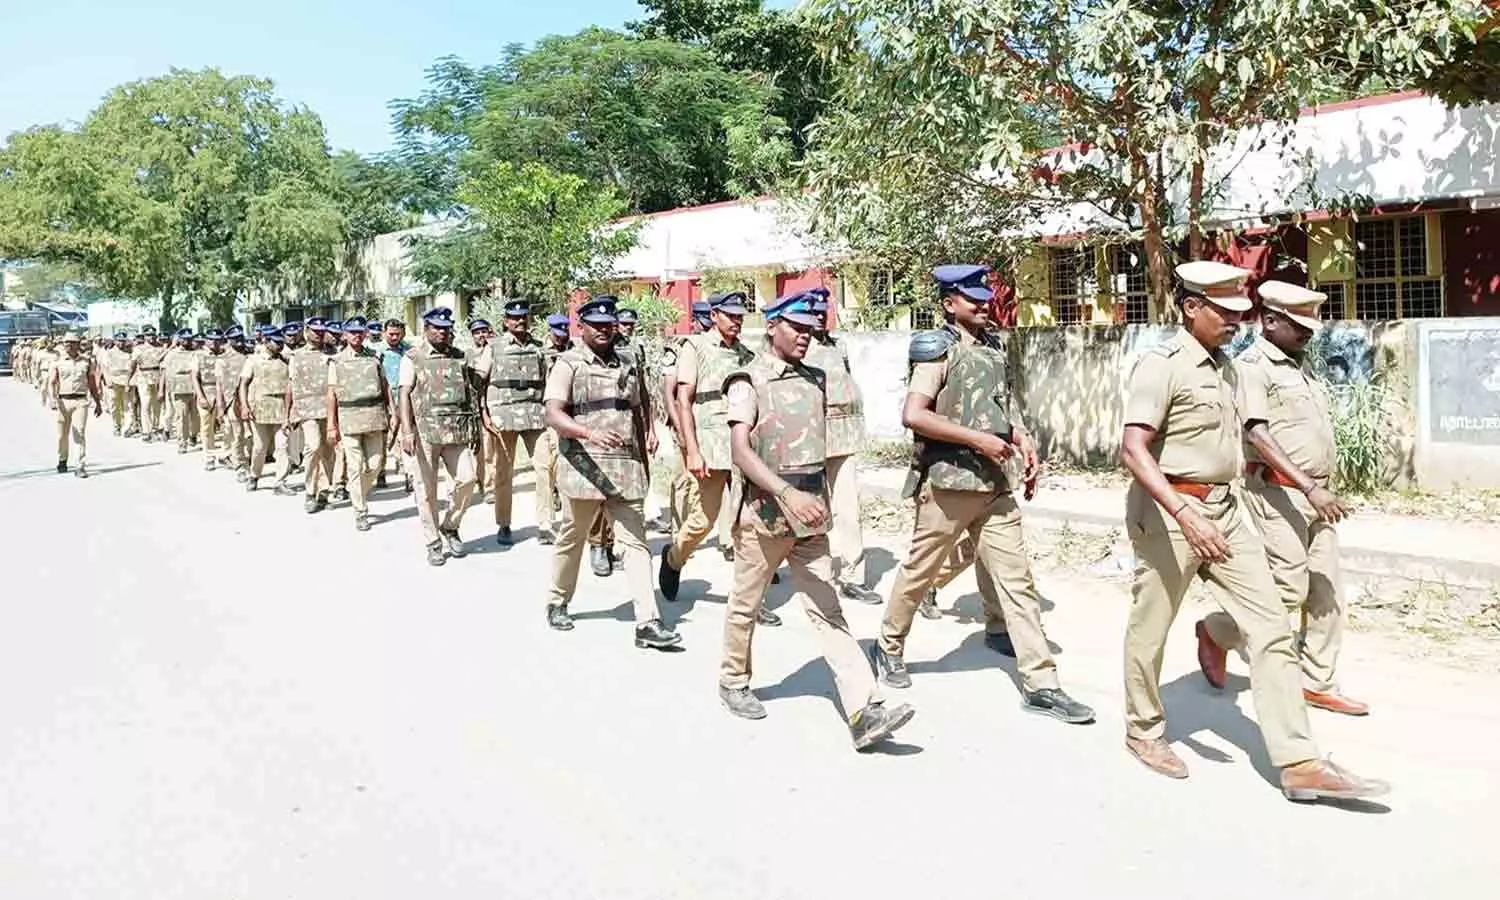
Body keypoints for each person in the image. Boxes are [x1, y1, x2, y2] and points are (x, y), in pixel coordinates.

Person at [1119, 259, 1386, 801]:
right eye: (1224, 312)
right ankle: (1144, 731)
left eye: (1240, 312)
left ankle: (1300, 761)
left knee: (1270, 627)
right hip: (1172, 514)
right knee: (1151, 628)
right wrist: (1183, 513)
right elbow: (1133, 449)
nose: (1235, 322)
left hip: (1227, 512)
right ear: (1191, 307)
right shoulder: (1161, 365)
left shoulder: (1230, 369)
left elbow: (1247, 439)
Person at [871, 264, 1093, 725]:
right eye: (971, 298)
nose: (982, 304)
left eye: (983, 296)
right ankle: (888, 645)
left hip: (994, 482)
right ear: (950, 303)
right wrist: (976, 440)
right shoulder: (935, 349)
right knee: (920, 570)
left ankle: (1041, 684)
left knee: (1017, 582)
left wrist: (1022, 437)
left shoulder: (992, 345)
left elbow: (1001, 408)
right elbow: (914, 414)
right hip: (949, 483)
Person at [717, 291, 914, 748]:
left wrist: (821, 500)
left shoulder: (817, 378)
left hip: (809, 517)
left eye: (811, 329)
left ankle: (864, 708)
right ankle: (732, 680)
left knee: (828, 609)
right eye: (797, 329)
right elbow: (740, 451)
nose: (806, 337)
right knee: (746, 604)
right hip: (764, 516)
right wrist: (785, 493)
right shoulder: (748, 381)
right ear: (772, 327)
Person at [1196, 280, 1368, 716]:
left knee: (1327, 592)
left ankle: (1317, 681)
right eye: (1298, 325)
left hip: (1317, 496)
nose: (1309, 332)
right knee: (1287, 589)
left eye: (1310, 325)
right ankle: (1217, 631)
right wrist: (1308, 485)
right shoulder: (1254, 366)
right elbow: (1258, 432)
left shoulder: (1298, 364)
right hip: (1277, 492)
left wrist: (1320, 486)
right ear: (1270, 321)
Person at [542, 296, 680, 650]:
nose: (604, 330)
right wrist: (589, 433)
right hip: (583, 469)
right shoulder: (567, 364)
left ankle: (647, 622)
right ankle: (558, 600)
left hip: (625, 468)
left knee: (636, 543)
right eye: (596, 325)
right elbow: (553, 414)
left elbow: (641, 404)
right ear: (581, 327)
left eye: (609, 324)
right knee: (572, 538)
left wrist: (648, 431)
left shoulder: (629, 361)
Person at [660, 293, 768, 610]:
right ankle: (673, 556)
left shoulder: (747, 354)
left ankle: (750, 599)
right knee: (703, 521)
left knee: (748, 521)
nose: (737, 321)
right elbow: (683, 400)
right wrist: (692, 450)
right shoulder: (695, 347)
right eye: (731, 315)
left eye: (741, 316)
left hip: (743, 447)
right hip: (710, 446)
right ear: (715, 314)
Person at [802, 289, 880, 604]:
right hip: (809, 438)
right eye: (814, 312)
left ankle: (852, 574)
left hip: (843, 436)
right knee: (805, 508)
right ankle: (785, 564)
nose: (820, 317)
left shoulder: (838, 345)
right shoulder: (799, 347)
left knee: (848, 507)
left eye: (824, 311)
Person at [398, 307, 480, 566]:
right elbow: (403, 394)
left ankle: (450, 525)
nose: (442, 332)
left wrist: (475, 426)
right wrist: (407, 430)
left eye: (446, 328)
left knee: (468, 479)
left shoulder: (460, 357)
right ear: (426, 329)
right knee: (426, 490)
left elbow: (471, 394)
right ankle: (433, 541)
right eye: (437, 328)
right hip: (425, 434)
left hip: (456, 430)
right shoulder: (412, 357)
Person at [476, 303, 550, 547]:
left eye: (523, 317)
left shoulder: (539, 348)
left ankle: (545, 525)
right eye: (514, 318)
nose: (519, 321)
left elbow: (549, 382)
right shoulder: (494, 347)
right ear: (505, 321)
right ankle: (504, 523)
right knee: (503, 472)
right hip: (503, 416)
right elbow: (479, 382)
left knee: (545, 467)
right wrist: (483, 413)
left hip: (534, 415)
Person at [327, 316, 392, 532]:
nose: (356, 335)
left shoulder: (375, 357)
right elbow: (332, 395)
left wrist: (391, 412)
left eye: (360, 331)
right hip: (349, 418)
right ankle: (360, 510)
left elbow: (385, 387)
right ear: (345, 335)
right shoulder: (336, 361)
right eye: (352, 332)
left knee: (375, 465)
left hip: (374, 416)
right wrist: (331, 425)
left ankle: (357, 491)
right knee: (355, 466)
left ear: (365, 334)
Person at [531, 313, 573, 545]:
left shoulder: (575, 351)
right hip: (544, 419)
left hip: (569, 418)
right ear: (550, 331)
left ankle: (569, 518)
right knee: (543, 469)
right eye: (557, 332)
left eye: (564, 331)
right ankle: (545, 524)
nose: (561, 336)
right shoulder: (540, 352)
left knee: (564, 469)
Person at [289, 318, 335, 513]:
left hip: (329, 408)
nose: (318, 334)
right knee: (312, 446)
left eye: (321, 330)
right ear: (307, 331)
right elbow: (291, 384)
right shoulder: (296, 356)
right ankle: (310, 490)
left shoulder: (333, 353)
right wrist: (290, 411)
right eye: (314, 330)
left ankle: (324, 490)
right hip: (307, 409)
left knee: (328, 450)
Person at [238, 326, 293, 493]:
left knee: (282, 446)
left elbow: (291, 385)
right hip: (260, 408)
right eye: (276, 342)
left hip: (281, 408)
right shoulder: (253, 360)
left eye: (281, 342)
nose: (280, 345)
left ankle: (280, 481)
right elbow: (243, 385)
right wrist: (245, 406)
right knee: (260, 447)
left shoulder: (286, 360)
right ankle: (254, 475)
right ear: (266, 341)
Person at [51, 333, 102, 477]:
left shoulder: (86, 362)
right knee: (62, 435)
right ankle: (62, 459)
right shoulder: (58, 362)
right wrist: (53, 399)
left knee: (79, 432)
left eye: (72, 342)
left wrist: (98, 402)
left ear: (78, 345)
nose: (68, 345)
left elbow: (92, 383)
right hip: (63, 401)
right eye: (66, 343)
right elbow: (52, 382)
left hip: (80, 401)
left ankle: (80, 465)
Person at [377, 318, 412, 493]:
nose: (394, 337)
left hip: (405, 400)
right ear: (384, 333)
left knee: (405, 436)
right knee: (383, 438)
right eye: (391, 334)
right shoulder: (377, 352)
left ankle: (409, 474)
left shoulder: (409, 350)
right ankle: (380, 471)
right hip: (383, 400)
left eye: (397, 334)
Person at [216, 325, 252, 480]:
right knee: (238, 435)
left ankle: (250, 461)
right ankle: (240, 466)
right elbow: (219, 384)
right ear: (229, 341)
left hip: (252, 399)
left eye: (240, 338)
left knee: (251, 435)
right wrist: (220, 406)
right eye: (235, 339)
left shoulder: (250, 356)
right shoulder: (222, 360)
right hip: (232, 400)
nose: (239, 341)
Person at [193, 329, 227, 470]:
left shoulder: (226, 355)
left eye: (217, 340)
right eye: (211, 339)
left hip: (225, 393)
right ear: (206, 341)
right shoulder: (199, 356)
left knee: (228, 426)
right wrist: (200, 396)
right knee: (207, 428)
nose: (214, 342)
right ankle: (209, 456)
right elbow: (194, 377)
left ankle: (226, 454)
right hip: (207, 392)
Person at [101, 332, 138, 436]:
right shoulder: (109, 353)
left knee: (128, 405)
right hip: (113, 380)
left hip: (127, 380)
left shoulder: (130, 352)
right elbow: (104, 367)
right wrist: (107, 379)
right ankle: (117, 425)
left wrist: (131, 382)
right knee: (114, 405)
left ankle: (127, 427)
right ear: (115, 341)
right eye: (119, 341)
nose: (121, 343)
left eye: (123, 341)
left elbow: (134, 368)